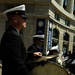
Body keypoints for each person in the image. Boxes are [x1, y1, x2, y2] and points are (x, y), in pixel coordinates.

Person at [1, 4, 32, 75]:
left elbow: (17, 55)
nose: (25, 20)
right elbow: (17, 64)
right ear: (15, 19)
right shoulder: (12, 36)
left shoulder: (13, 34)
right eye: (23, 18)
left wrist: (32, 55)